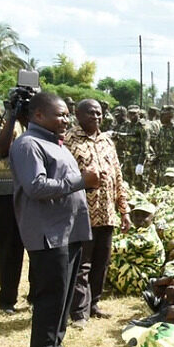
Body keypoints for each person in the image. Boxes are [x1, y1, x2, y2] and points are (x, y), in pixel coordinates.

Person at [8, 92, 98, 347]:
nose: (66, 118)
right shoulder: (28, 144)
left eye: (67, 114)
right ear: (38, 115)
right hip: (48, 233)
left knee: (64, 295)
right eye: (60, 114)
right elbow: (36, 187)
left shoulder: (53, 142)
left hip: (68, 231)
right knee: (50, 298)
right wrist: (82, 180)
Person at [63, 99, 130, 327]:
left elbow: (118, 176)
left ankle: (94, 304)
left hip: (107, 213)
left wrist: (124, 210)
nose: (96, 117)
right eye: (91, 113)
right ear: (78, 115)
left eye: (99, 113)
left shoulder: (106, 140)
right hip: (81, 213)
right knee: (82, 263)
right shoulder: (69, 140)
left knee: (102, 261)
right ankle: (79, 311)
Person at [0, 87, 29, 314]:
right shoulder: (2, 120)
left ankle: (36, 296)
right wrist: (12, 114)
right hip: (5, 192)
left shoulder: (40, 118)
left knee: (39, 247)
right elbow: (1, 149)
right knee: (7, 248)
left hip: (33, 191)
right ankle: (7, 299)